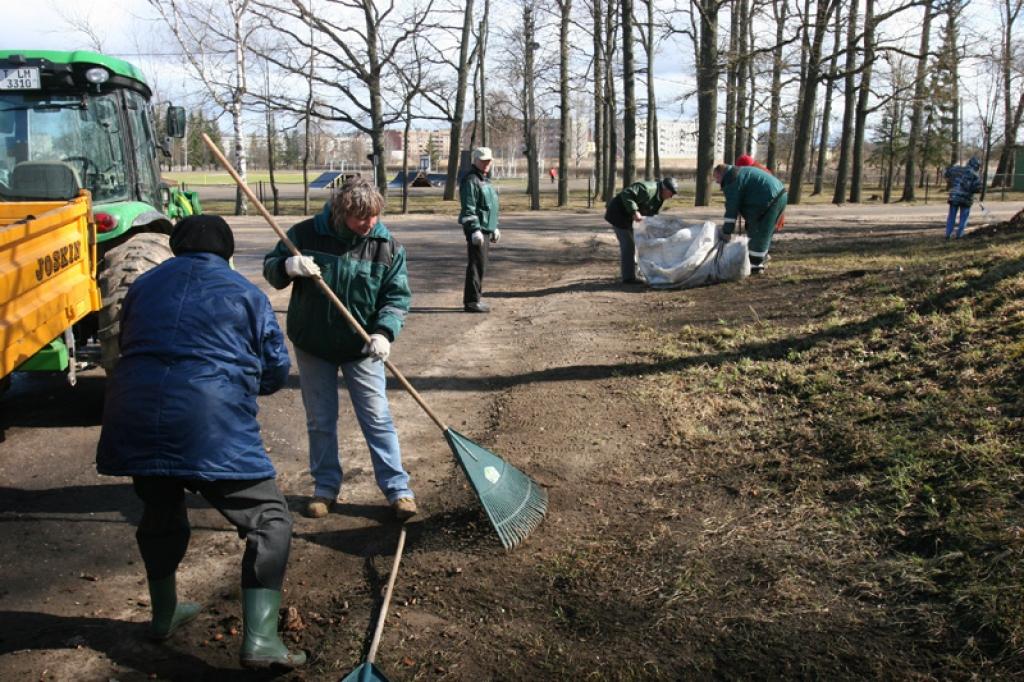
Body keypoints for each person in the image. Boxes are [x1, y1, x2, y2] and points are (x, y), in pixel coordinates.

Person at [96, 215, 305, 669]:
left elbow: (125, 342)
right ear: (226, 254)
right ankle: (262, 642)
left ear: (176, 248)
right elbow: (274, 368)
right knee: (269, 520)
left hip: (133, 416)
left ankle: (165, 614)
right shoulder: (245, 293)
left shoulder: (142, 289)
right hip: (209, 424)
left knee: (161, 509)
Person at [263, 177, 416, 521]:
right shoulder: (303, 235)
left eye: (374, 216)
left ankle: (398, 489)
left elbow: (396, 298)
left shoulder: (385, 245)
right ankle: (325, 488)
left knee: (377, 418)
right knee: (321, 420)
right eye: (362, 218)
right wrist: (288, 267)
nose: (369, 224)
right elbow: (271, 270)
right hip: (314, 343)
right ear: (340, 212)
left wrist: (384, 334)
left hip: (361, 347)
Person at [713, 163, 787, 274]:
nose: (717, 181)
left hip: (769, 198)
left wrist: (726, 232)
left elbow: (731, 208)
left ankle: (756, 266)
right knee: (761, 231)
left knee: (759, 232)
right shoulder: (738, 173)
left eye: (716, 177)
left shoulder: (731, 180)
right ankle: (760, 259)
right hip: (778, 194)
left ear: (721, 173)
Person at [604, 177, 679, 283]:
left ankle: (639, 272)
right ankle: (628, 278)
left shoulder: (660, 197)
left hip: (631, 219)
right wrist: (634, 211)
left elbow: (651, 214)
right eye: (671, 193)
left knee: (640, 243)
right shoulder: (646, 188)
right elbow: (627, 194)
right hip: (618, 215)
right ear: (665, 189)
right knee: (628, 245)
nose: (671, 197)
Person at [459, 146, 501, 313]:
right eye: (483, 160)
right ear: (475, 161)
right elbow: (469, 207)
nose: (486, 163)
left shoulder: (484, 180)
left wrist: (494, 227)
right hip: (477, 230)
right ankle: (471, 301)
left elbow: (489, 207)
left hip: (485, 229)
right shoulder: (471, 180)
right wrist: (474, 229)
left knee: (480, 264)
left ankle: (474, 299)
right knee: (476, 265)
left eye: (488, 160)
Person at [944, 157, 984, 240]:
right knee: (964, 217)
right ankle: (960, 234)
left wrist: (952, 182)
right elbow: (978, 188)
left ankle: (948, 234)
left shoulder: (956, 170)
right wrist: (971, 189)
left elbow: (946, 174)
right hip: (966, 199)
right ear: (976, 166)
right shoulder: (975, 175)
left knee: (951, 216)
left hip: (954, 196)